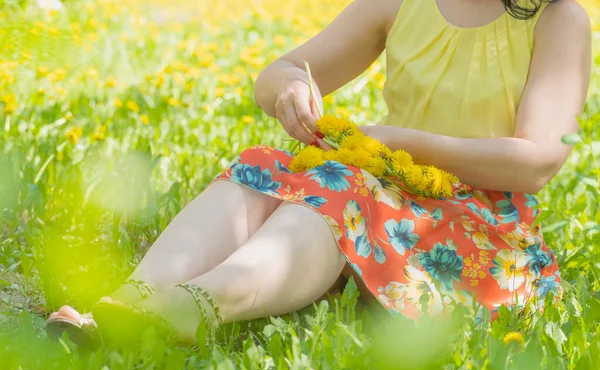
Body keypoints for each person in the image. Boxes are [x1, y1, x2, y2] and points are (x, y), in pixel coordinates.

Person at [45, 0, 591, 345]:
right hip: (384, 183)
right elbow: (277, 72)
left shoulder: (558, 17)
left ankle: (194, 306)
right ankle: (132, 299)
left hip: (475, 224)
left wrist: (398, 141)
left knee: (343, 191)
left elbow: (537, 161)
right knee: (265, 168)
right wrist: (290, 87)